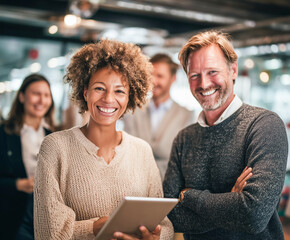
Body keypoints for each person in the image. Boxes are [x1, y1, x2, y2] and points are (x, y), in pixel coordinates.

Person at [34, 39, 174, 240]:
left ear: (129, 98)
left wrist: (155, 237)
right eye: (99, 88)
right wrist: (95, 227)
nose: (109, 99)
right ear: (85, 92)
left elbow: (165, 226)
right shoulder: (56, 147)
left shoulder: (142, 150)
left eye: (119, 91)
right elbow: (47, 233)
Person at [163, 30, 289, 239]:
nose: (203, 84)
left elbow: (253, 215)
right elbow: (170, 215)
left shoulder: (264, 125)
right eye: (194, 75)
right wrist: (230, 201)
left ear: (233, 70)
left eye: (212, 72)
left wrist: (189, 196)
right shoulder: (184, 139)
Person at [0, 74, 55, 240]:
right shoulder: (3, 134)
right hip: (14, 218)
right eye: (36, 94)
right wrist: (17, 184)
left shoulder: (53, 136)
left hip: (47, 218)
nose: (42, 100)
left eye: (46, 95)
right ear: (22, 96)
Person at [123, 53, 194, 179]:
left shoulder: (186, 116)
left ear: (173, 78)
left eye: (160, 76)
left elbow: (185, 162)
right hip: (134, 183)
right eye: (150, 75)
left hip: (169, 189)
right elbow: (127, 153)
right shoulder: (133, 111)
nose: (153, 81)